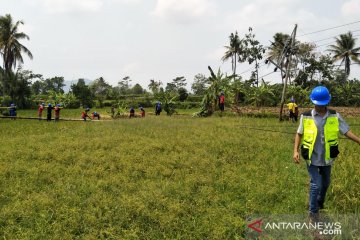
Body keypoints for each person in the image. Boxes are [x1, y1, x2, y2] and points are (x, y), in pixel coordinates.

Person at [293, 86, 360, 221]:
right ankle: (313, 213)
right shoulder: (306, 116)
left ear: (327, 102)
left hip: (327, 157)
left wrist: (359, 141)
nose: (319, 107)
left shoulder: (335, 115)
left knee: (325, 183)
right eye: (317, 104)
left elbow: (346, 131)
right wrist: (295, 150)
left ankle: (319, 202)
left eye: (322, 104)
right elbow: (299, 134)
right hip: (311, 156)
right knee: (316, 183)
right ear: (313, 102)